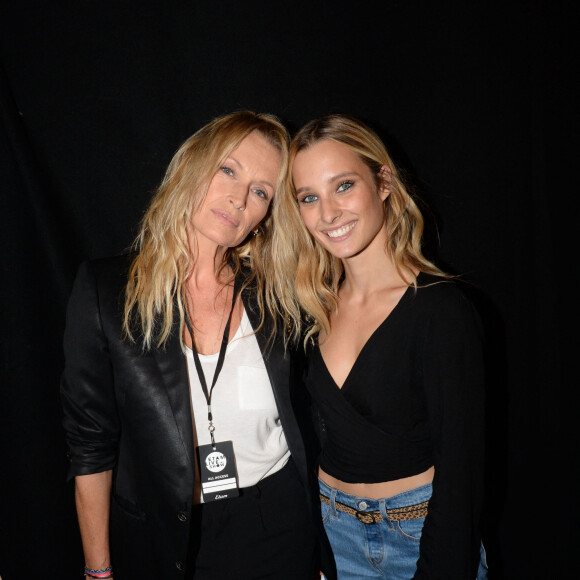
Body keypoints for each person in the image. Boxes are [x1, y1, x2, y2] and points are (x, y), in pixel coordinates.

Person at [61, 111, 335, 580]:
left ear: (266, 216)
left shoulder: (277, 293)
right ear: (194, 165)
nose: (238, 197)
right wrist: (98, 570)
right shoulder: (107, 292)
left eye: (261, 191)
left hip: (278, 523)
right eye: (228, 169)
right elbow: (90, 446)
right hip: (167, 536)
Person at [278, 114, 488, 579]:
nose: (328, 214)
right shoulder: (312, 308)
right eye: (309, 198)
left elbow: (463, 474)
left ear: (384, 182)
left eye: (344, 186)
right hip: (333, 534)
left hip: (415, 540)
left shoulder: (441, 310)